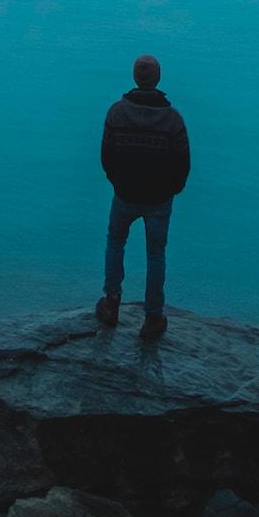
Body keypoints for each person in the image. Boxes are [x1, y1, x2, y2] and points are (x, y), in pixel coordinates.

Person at [95, 52, 190, 340]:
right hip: (159, 199)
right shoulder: (173, 120)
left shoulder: (116, 112)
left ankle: (111, 302)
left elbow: (106, 157)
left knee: (115, 242)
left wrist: (118, 183)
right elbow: (183, 164)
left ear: (135, 78)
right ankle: (152, 317)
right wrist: (170, 189)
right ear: (158, 79)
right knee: (155, 254)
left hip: (124, 194)